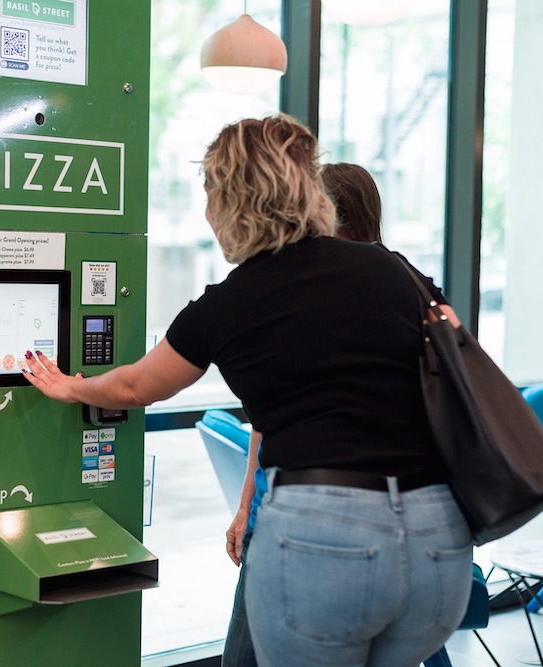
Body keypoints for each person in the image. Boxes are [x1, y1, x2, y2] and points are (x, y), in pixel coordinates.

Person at [22, 113, 472, 667]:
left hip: (324, 537)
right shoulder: (395, 270)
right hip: (438, 539)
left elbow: (139, 383)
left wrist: (72, 387)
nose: (206, 212)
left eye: (210, 194)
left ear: (233, 203)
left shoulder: (234, 301)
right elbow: (458, 358)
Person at [221, 161, 386, 667]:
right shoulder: (312, 286)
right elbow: (269, 411)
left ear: (339, 217)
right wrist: (247, 502)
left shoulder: (382, 289)